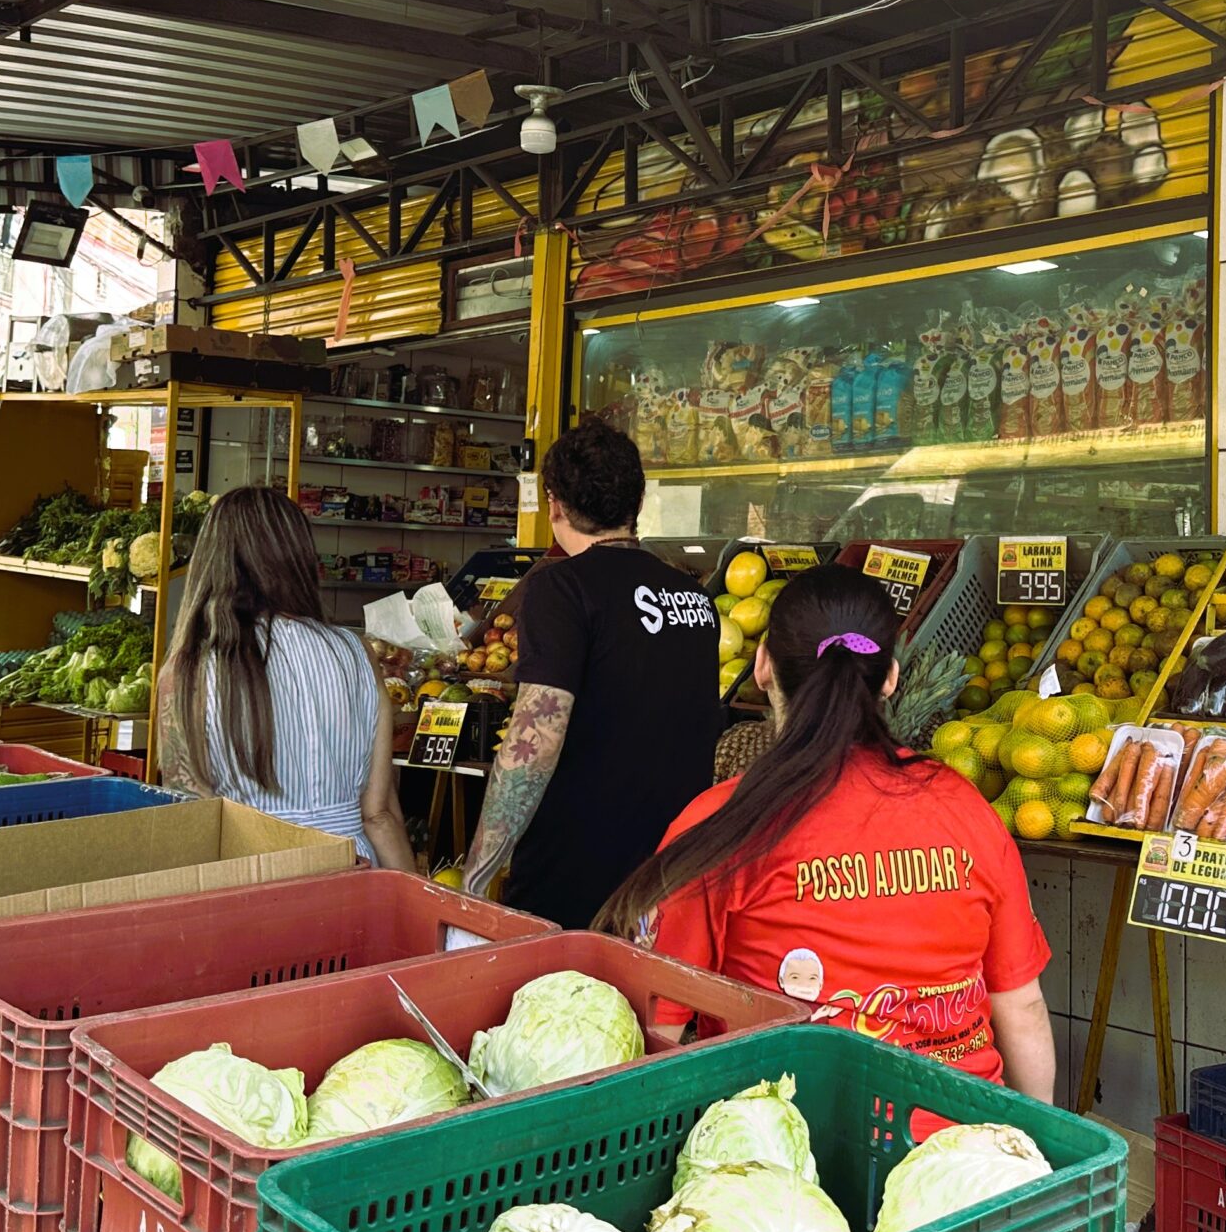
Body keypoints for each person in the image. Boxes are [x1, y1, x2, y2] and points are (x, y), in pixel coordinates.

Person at [599, 564, 1055, 1098]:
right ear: (890, 677)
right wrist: (1033, 1150)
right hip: (966, 1153)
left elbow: (659, 1033)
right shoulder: (964, 805)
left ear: (763, 665)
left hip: (793, 1158)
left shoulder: (719, 824)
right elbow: (1021, 1006)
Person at [463, 418, 720, 927]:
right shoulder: (695, 597)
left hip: (575, 875)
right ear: (638, 504)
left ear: (555, 504)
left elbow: (535, 739)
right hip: (668, 875)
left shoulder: (561, 588)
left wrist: (476, 876)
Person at [157, 485, 412, 869]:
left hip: (252, 877)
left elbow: (189, 819)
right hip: (354, 870)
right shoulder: (356, 652)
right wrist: (421, 911)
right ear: (299, 558)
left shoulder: (190, 668)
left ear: (213, 562)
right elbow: (378, 814)